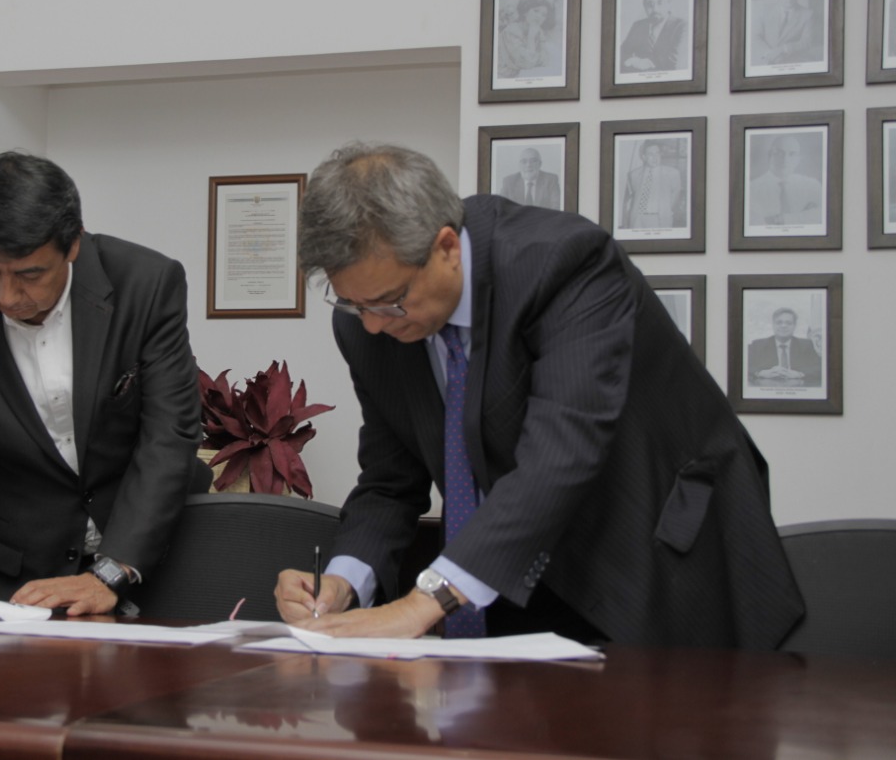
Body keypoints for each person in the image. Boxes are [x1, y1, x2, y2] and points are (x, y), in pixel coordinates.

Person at [275, 142, 803, 649]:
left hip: (654, 545)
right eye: (351, 303)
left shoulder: (562, 263)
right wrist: (343, 582)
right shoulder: (369, 331)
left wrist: (421, 603)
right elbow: (391, 481)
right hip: (504, 568)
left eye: (390, 302)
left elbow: (561, 453)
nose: (370, 325)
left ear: (446, 248)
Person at [0, 151, 209, 611]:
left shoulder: (147, 285)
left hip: (144, 564)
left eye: (30, 274)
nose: (7, 296)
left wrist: (112, 570)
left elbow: (167, 438)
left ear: (72, 243)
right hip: (11, 581)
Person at [748, 135, 823, 227]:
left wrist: (783, 220)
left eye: (792, 154)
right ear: (769, 155)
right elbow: (754, 225)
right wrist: (805, 217)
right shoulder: (751, 189)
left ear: (798, 159)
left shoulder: (813, 186)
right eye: (779, 153)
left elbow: (824, 217)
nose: (785, 159)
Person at [619, 0, 688, 73]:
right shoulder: (638, 26)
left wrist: (642, 62)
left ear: (669, 5)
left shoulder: (681, 26)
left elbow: (674, 60)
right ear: (645, 7)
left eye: (660, 3)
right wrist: (633, 61)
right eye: (650, 4)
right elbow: (621, 53)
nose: (655, 9)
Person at [747, 307, 822, 387]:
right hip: (768, 389)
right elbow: (745, 365)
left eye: (788, 323)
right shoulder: (758, 345)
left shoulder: (806, 345)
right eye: (779, 322)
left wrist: (800, 374)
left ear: (794, 325)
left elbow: (820, 367)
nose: (783, 326)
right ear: (773, 324)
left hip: (797, 389)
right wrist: (760, 373)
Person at [750, 0, 815, 66]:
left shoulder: (807, 14)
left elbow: (807, 42)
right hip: (766, 58)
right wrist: (770, 54)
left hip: (794, 60)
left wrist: (782, 49)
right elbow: (755, 36)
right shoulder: (764, 10)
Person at [619, 141, 684, 229]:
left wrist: (665, 210)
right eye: (650, 154)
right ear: (644, 157)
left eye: (657, 153)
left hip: (660, 218)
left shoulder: (673, 173)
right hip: (638, 219)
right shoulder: (633, 174)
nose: (655, 158)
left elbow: (675, 196)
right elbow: (632, 198)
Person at [497, 0, 551, 78]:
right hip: (504, 77)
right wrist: (531, 38)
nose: (539, 16)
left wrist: (534, 59)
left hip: (523, 75)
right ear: (525, 12)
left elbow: (545, 60)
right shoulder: (511, 31)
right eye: (536, 11)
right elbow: (527, 63)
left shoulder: (538, 31)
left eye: (543, 15)